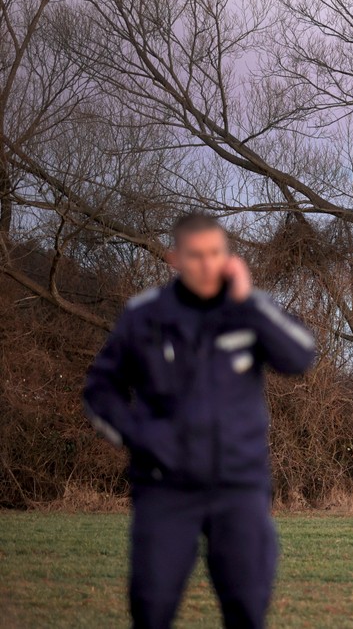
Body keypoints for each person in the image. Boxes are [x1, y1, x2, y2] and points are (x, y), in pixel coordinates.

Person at [83, 212, 316, 629]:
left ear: (227, 256)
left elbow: (300, 357)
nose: (207, 264)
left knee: (246, 609)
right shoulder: (145, 316)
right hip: (165, 488)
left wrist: (248, 304)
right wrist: (144, 438)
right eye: (196, 255)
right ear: (175, 258)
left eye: (215, 253)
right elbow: (100, 393)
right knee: (150, 608)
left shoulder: (251, 309)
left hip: (239, 487)